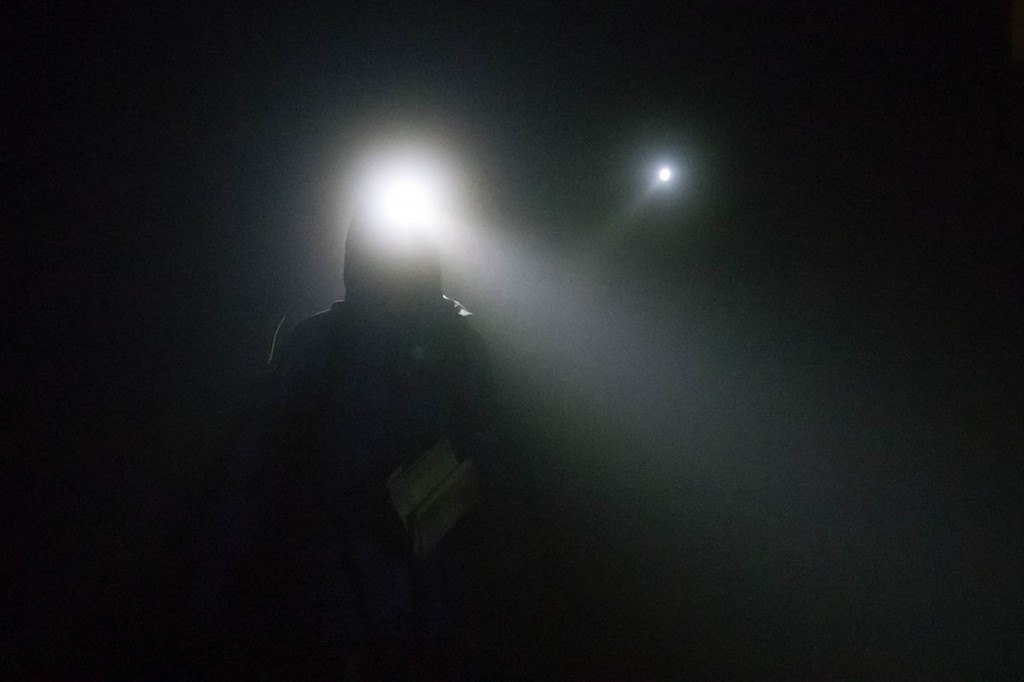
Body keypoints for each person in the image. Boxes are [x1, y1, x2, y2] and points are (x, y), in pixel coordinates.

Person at [243, 214, 497, 676]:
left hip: (428, 603)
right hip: (332, 600)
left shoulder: (460, 349)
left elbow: (493, 456)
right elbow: (262, 462)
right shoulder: (316, 345)